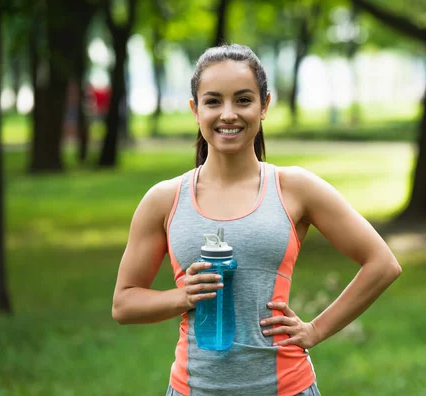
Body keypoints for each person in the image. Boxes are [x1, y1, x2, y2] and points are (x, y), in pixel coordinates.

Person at [112, 44, 402, 396]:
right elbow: (124, 303)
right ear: (195, 109)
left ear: (264, 105)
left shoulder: (294, 188)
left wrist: (316, 330)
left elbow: (382, 263)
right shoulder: (164, 199)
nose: (229, 114)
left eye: (244, 100)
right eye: (214, 101)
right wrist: (183, 296)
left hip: (287, 388)